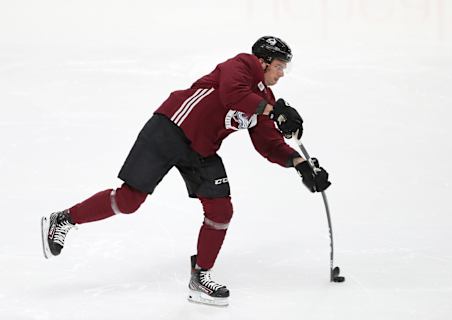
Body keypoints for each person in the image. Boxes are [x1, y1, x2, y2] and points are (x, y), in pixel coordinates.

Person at [41, 36, 331, 306]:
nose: (281, 74)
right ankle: (63, 219)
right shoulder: (241, 65)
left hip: (202, 149)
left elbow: (268, 143)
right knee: (129, 201)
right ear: (263, 61)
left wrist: (300, 164)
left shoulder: (266, 101)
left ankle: (200, 276)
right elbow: (233, 93)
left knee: (221, 210)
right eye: (279, 66)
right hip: (170, 129)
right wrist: (273, 110)